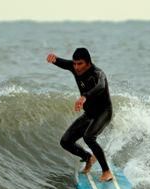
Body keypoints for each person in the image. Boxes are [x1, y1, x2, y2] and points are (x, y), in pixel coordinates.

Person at [47, 48, 114, 182]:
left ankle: (106, 171)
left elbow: (100, 86)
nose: (76, 67)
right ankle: (88, 157)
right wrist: (55, 60)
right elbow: (65, 63)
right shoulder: (74, 67)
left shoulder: (98, 74)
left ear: (88, 63)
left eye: (80, 64)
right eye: (75, 64)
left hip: (103, 112)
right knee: (65, 141)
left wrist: (85, 96)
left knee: (89, 137)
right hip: (89, 113)